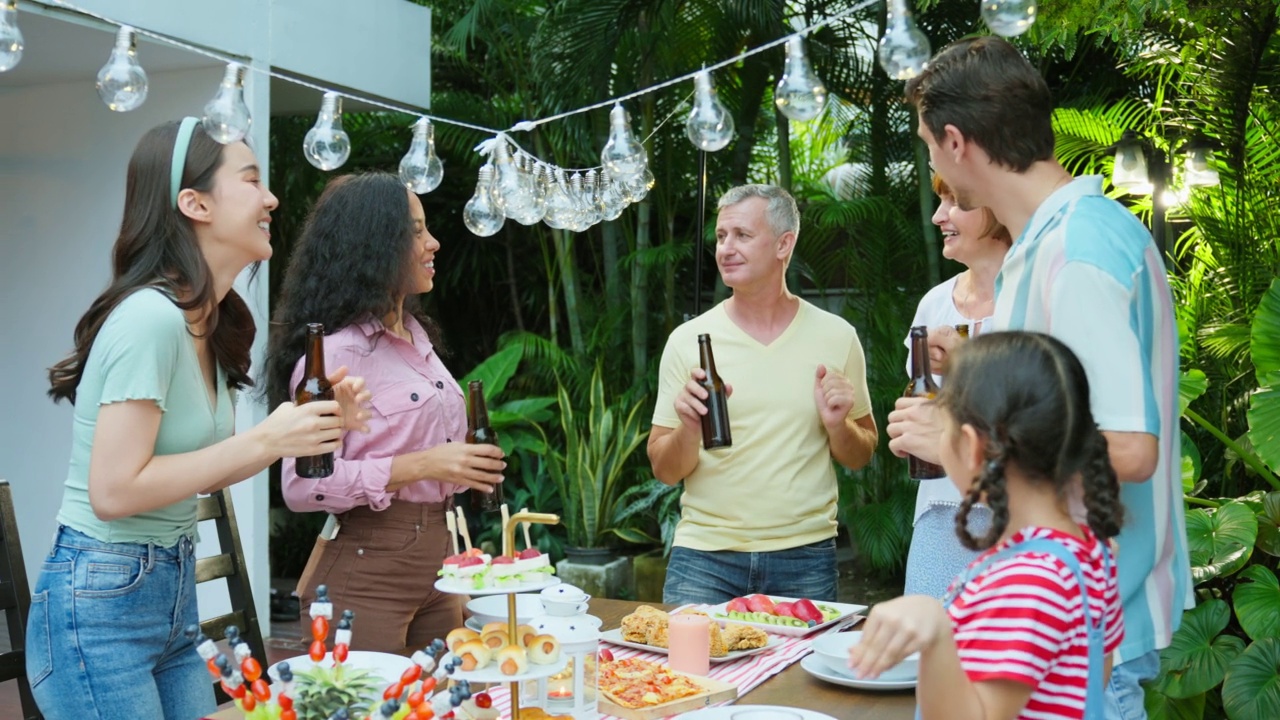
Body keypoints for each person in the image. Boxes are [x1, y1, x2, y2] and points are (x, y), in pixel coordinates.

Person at [886, 36, 1191, 719]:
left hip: (1077, 628)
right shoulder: (1051, 242)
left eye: (927, 142)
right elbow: (1066, 397)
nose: (929, 159)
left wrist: (962, 437)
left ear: (957, 142)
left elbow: (1132, 448)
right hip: (1078, 613)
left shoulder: (1076, 251)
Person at [26, 118, 370, 720]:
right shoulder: (149, 319)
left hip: (170, 595)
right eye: (252, 180)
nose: (271, 198)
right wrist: (267, 440)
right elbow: (112, 491)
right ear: (195, 203)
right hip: (100, 606)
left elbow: (199, 474)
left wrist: (315, 428)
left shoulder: (214, 323)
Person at [264, 172, 506, 653]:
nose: (433, 243)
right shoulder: (336, 355)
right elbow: (303, 486)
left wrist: (462, 471)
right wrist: (424, 465)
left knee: (440, 704)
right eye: (415, 231)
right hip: (367, 570)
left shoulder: (418, 340)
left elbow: (437, 456)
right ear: (375, 245)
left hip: (440, 562)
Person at [852, 332, 1124, 720]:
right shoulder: (1089, 549)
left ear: (970, 445)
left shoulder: (1026, 581)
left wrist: (936, 633)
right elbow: (1091, 679)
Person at [648, 184, 878, 605]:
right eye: (721, 237)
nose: (725, 249)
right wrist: (687, 429)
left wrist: (837, 425)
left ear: (783, 244)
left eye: (742, 235)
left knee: (801, 675)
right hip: (704, 558)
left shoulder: (837, 337)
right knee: (688, 672)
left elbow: (860, 454)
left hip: (804, 558)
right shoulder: (687, 342)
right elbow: (665, 469)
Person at [903, 175, 1011, 600]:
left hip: (1017, 512)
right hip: (940, 513)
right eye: (939, 200)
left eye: (955, 200)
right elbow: (921, 404)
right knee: (933, 655)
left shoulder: (1036, 296)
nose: (938, 216)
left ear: (997, 207)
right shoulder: (933, 305)